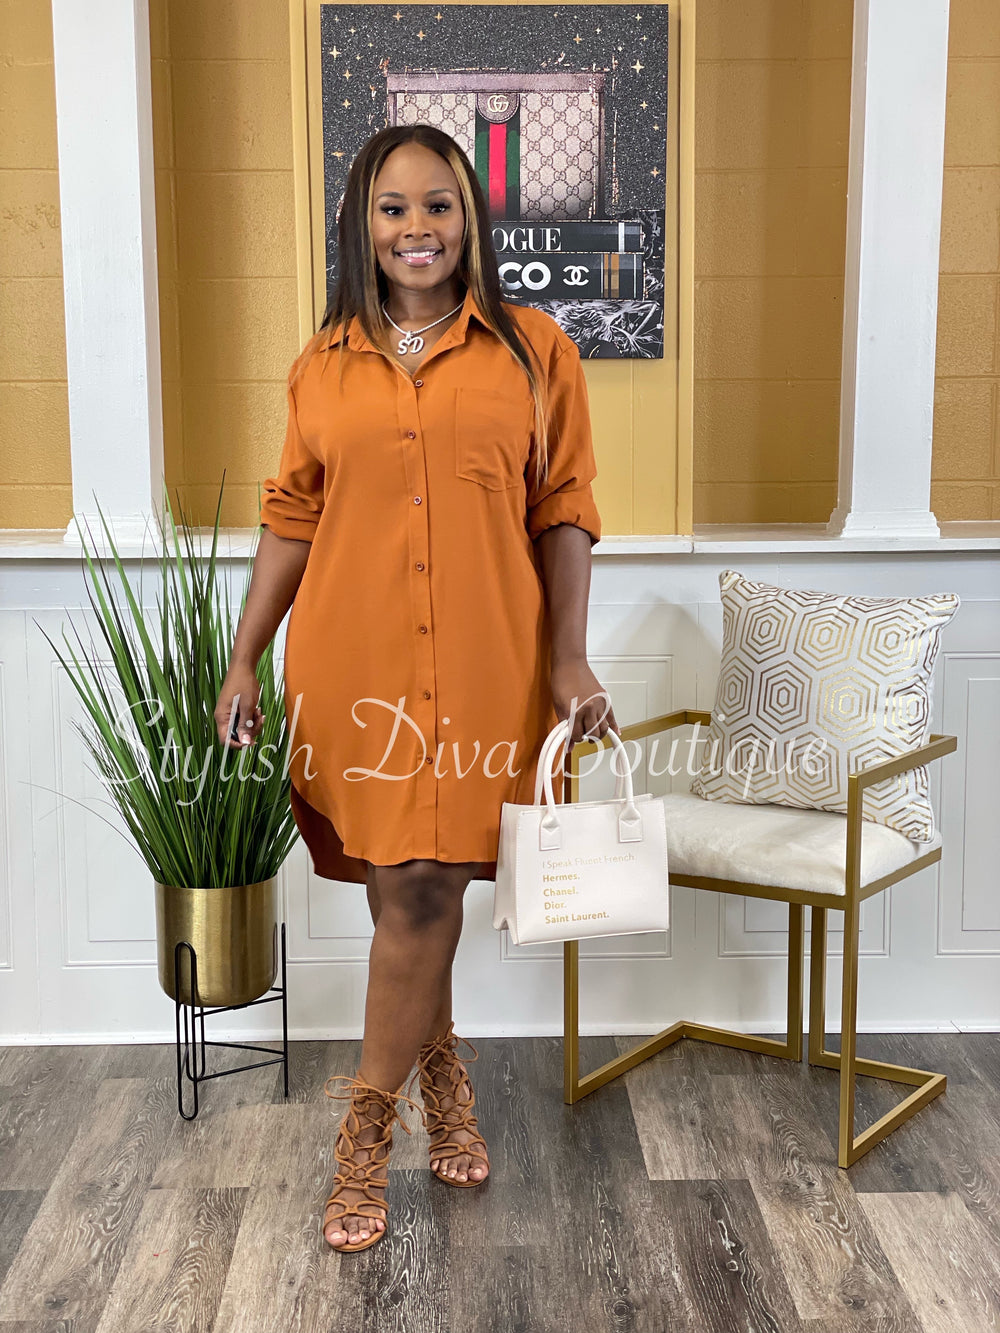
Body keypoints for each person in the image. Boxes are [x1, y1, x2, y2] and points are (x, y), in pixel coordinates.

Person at [214, 123, 619, 1253]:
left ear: (470, 218)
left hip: (489, 661)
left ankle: (361, 1140)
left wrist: (568, 655)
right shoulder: (321, 364)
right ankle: (438, 1092)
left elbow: (565, 507)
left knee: (428, 890)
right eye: (392, 209)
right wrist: (244, 656)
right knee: (409, 894)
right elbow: (292, 516)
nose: (417, 228)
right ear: (362, 224)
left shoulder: (536, 351)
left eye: (438, 205)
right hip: (354, 668)